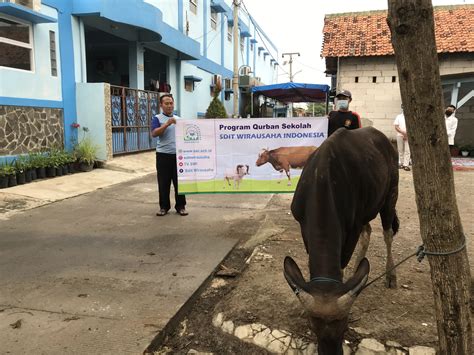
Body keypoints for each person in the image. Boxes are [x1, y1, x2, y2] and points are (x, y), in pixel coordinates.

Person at [151, 94, 188, 216]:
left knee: (180, 183)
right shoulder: (157, 118)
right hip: (163, 155)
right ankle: (164, 207)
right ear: (161, 105)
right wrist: (167, 124)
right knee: (163, 182)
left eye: (171, 103)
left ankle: (181, 206)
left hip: (178, 156)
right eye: (166, 103)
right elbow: (154, 133)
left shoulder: (179, 119)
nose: (169, 106)